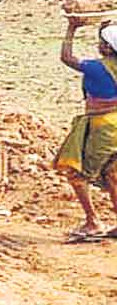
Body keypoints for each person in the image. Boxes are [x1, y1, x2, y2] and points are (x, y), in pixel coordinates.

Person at [55, 22, 117, 238]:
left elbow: (67, 58)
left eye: (101, 42)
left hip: (102, 127)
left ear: (107, 47)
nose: (98, 45)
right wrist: (104, 29)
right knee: (112, 174)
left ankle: (93, 221)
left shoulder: (96, 68)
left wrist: (71, 29)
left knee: (76, 172)